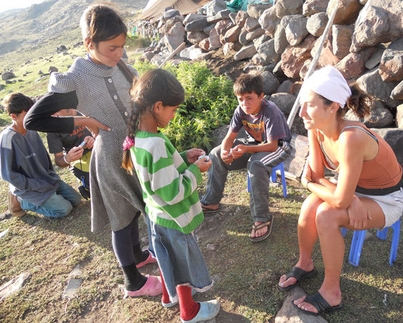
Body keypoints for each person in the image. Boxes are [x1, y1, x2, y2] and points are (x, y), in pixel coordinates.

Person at [24, 4, 160, 298]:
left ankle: (139, 256)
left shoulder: (122, 66)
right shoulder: (75, 79)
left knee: (136, 210)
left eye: (122, 46)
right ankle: (132, 282)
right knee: (121, 219)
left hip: (135, 152)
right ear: (89, 43)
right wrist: (84, 120)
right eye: (112, 48)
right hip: (109, 158)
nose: (119, 54)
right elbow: (34, 119)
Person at [277, 65, 403, 316]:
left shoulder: (351, 138)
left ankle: (331, 292)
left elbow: (315, 182)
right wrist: (349, 198)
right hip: (356, 189)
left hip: (387, 199)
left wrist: (327, 191)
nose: (302, 111)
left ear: (333, 106)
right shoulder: (315, 127)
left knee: (326, 213)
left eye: (310, 105)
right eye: (302, 103)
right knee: (310, 205)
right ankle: (305, 263)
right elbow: (317, 175)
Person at [122, 69, 220, 323]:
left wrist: (183, 157)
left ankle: (168, 297)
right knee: (180, 264)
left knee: (166, 258)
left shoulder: (139, 138)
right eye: (173, 110)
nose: (174, 115)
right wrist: (196, 171)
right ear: (157, 106)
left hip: (156, 216)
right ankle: (189, 311)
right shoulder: (154, 143)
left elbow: (157, 176)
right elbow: (173, 192)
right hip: (173, 218)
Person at [200, 73, 292, 242]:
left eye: (249, 98)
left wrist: (245, 149)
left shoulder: (270, 111)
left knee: (255, 164)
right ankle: (211, 201)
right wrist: (226, 153)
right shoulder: (240, 111)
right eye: (240, 99)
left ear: (261, 96)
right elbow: (229, 137)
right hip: (254, 143)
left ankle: (262, 218)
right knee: (215, 154)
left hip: (279, 147)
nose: (245, 104)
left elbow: (272, 145)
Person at [0, 93, 82, 218]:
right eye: (26, 114)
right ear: (13, 116)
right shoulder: (7, 139)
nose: (31, 117)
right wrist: (36, 185)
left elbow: (44, 158)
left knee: (76, 200)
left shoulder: (32, 129)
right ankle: (21, 201)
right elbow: (8, 175)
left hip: (47, 180)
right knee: (64, 209)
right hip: (30, 188)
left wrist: (50, 177)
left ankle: (49, 196)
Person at [41, 91, 94, 199]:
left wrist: (95, 138)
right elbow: (59, 161)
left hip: (100, 149)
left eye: (54, 111)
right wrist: (67, 158)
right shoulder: (53, 128)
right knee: (95, 182)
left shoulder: (85, 109)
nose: (53, 116)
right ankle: (88, 186)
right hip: (79, 162)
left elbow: (108, 129)